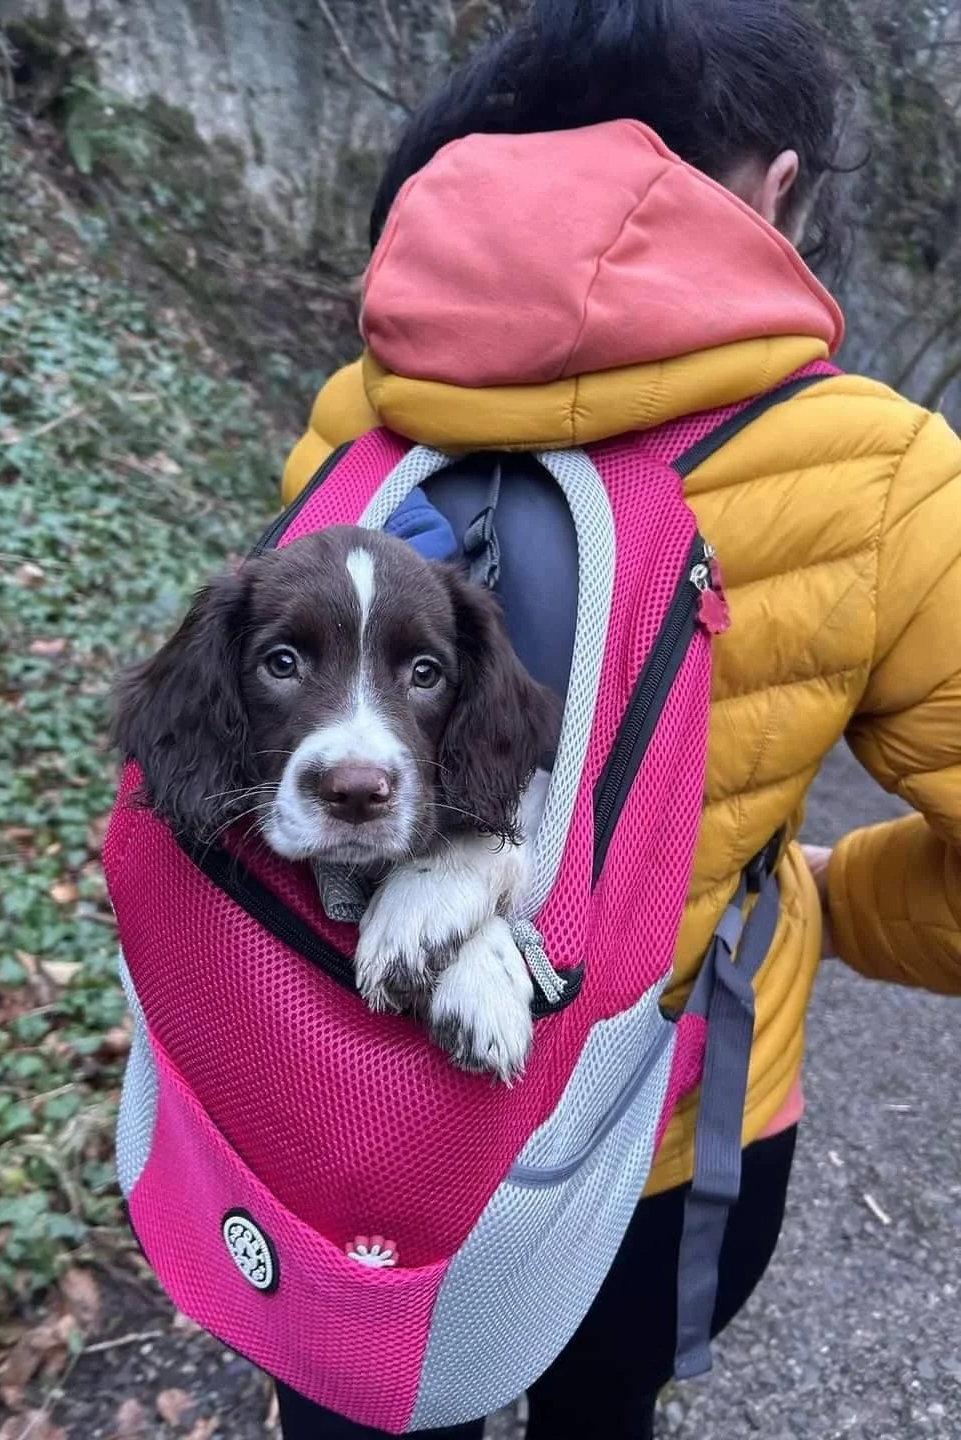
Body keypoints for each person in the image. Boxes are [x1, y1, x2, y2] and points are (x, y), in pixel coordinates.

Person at [276, 1, 961, 1435]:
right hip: (653, 1130)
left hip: (347, 1101)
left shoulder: (366, 404)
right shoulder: (889, 473)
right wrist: (835, 900)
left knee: (377, 1402)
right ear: (776, 185)